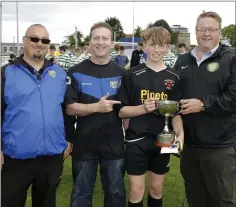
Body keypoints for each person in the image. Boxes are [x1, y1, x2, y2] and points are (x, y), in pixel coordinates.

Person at [1, 24, 73, 207]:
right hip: (16, 156)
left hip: (51, 157)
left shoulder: (59, 74)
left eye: (45, 40)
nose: (39, 43)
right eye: (34, 39)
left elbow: (67, 110)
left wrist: (69, 138)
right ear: (24, 42)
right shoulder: (6, 73)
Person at [116, 27, 184, 207]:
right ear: (144, 46)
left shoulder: (174, 76)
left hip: (165, 141)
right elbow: (121, 111)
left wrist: (181, 135)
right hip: (136, 140)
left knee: (156, 189)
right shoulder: (131, 74)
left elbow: (176, 113)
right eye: (152, 45)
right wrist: (143, 108)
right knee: (136, 190)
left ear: (167, 47)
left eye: (161, 45)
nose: (157, 49)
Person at [174, 11, 236, 207]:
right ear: (196, 31)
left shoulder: (231, 59)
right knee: (195, 199)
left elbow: (233, 99)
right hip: (188, 146)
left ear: (219, 32)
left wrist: (203, 104)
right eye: (202, 29)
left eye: (211, 29)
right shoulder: (182, 61)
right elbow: (172, 97)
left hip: (219, 146)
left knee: (221, 200)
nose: (206, 34)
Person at [65, 22, 126, 207]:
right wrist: (96, 108)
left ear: (112, 42)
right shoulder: (75, 72)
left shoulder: (123, 73)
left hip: (114, 144)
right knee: (81, 194)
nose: (100, 42)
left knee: (115, 193)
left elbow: (126, 111)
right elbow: (69, 108)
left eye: (105, 38)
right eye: (96, 38)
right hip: (85, 143)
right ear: (89, 42)